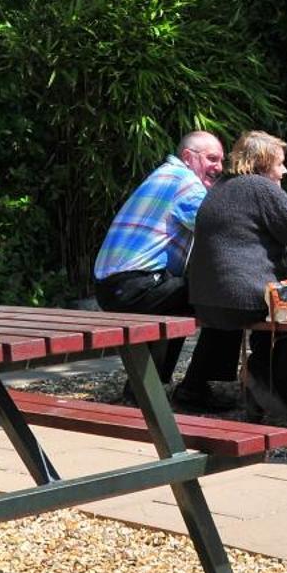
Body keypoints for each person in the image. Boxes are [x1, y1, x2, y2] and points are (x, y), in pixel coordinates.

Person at [186, 132, 287, 422]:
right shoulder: (260, 188)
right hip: (243, 298)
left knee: (281, 308)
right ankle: (269, 393)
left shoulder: (220, 187)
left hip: (207, 299)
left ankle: (257, 374)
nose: (284, 170)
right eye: (280, 164)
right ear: (264, 164)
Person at [92, 130, 226, 403]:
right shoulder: (185, 182)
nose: (219, 168)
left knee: (181, 301)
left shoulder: (166, 176)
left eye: (222, 161)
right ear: (188, 157)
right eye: (212, 159)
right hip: (133, 284)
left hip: (115, 286)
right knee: (225, 299)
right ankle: (195, 388)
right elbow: (221, 229)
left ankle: (143, 391)